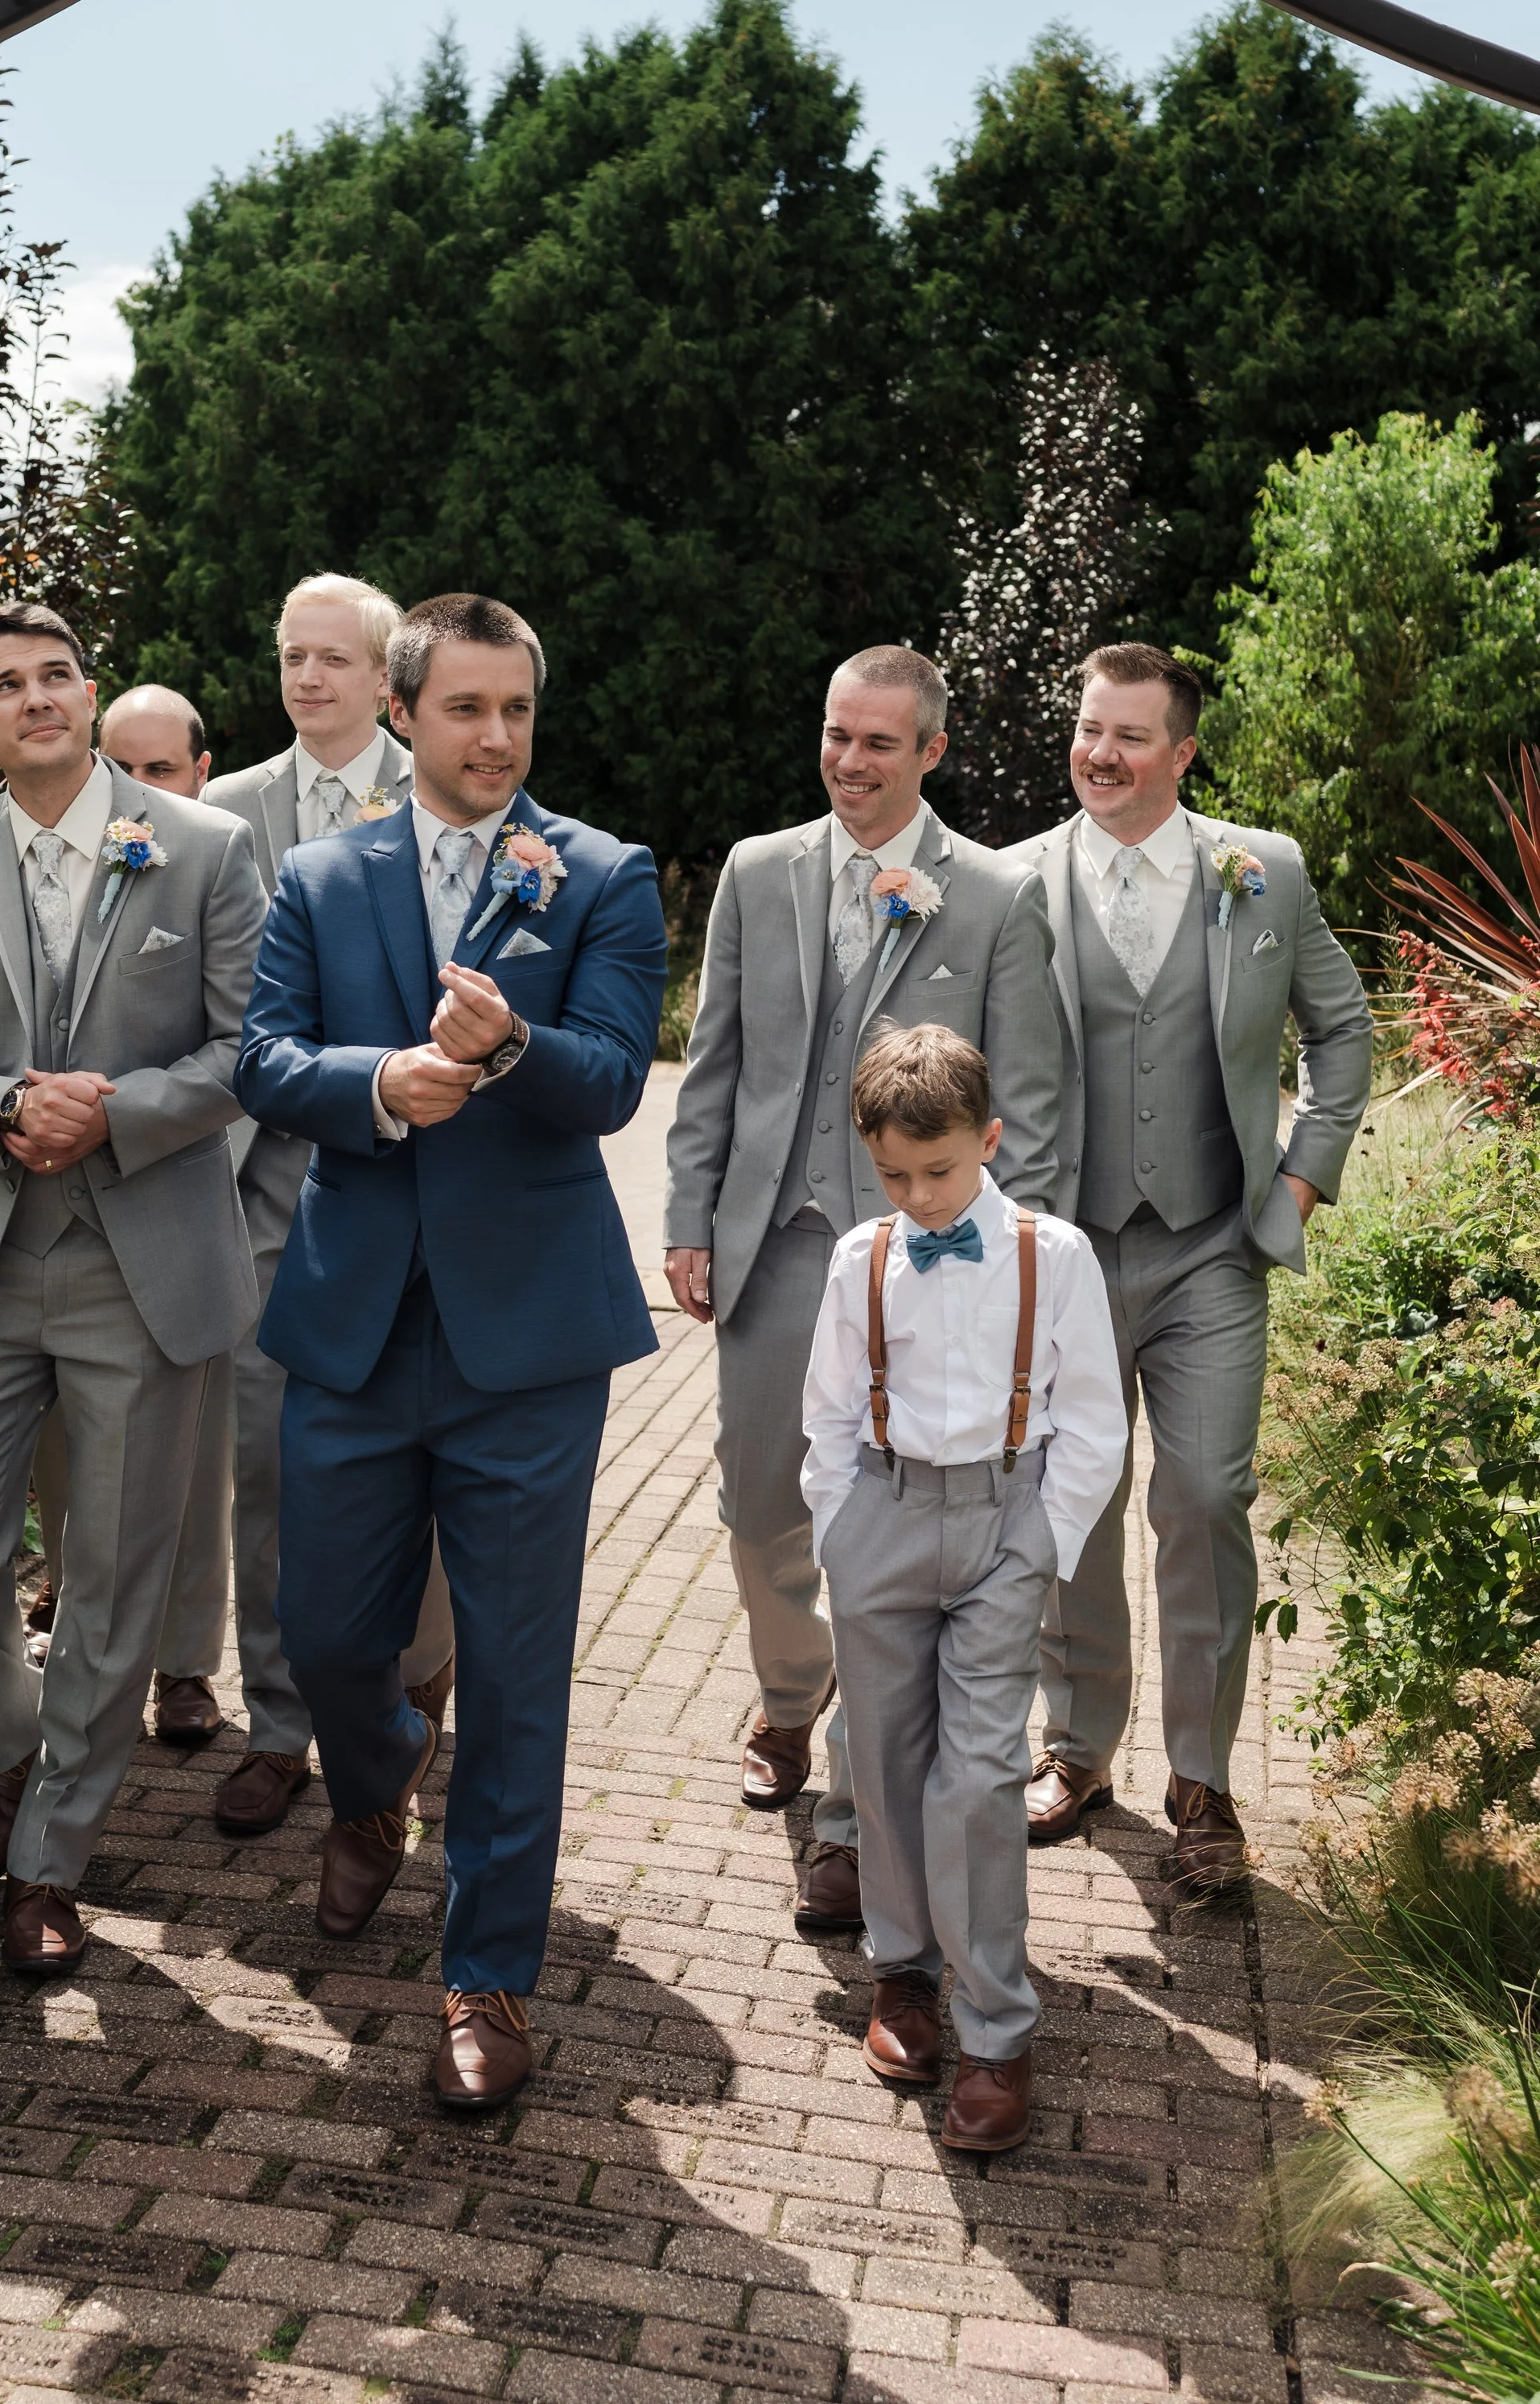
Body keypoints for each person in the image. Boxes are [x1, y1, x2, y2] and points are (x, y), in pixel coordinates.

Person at [237, 592, 665, 2111]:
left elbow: (614, 1079)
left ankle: (488, 1977)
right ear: (402, 714)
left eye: (518, 710)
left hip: (528, 1339)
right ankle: (371, 1788)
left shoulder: (601, 872)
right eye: (467, 709)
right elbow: (265, 1059)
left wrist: (511, 1050)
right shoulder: (316, 874)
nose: (496, 738)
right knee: (324, 1635)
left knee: (519, 1666)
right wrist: (379, 1083)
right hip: (352, 1321)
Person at [0, 604, 266, 1979]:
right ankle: (11, 1747)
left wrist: (121, 1111)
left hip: (140, 1265)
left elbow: (249, 1049)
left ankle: (50, 1856)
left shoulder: (205, 848)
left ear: (89, 696)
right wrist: (2, 1111)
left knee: (111, 1580)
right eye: (7, 684)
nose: (37, 697)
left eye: (57, 675)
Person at [663, 645, 1061, 1940]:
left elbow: (1026, 1107)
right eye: (837, 735)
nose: (850, 761)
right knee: (757, 1502)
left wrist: (1000, 1276)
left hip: (920, 1263)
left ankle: (846, 1824)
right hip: (777, 1241)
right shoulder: (757, 870)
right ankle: (791, 1695)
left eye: (880, 743)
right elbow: (715, 1064)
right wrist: (687, 1220)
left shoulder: (996, 896)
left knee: (884, 1535)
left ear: (931, 752)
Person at [1011, 643, 1371, 1891]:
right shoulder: (1013, 880)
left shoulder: (1261, 872)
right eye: (1087, 729)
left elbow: (1343, 1031)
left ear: (1182, 753)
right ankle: (1077, 1747)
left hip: (1215, 1247)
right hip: (1064, 1252)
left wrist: (1299, 1186)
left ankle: (1202, 1777)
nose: (1099, 754)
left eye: (1128, 735)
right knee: (1072, 1497)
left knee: (1206, 1498)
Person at [803, 1025, 1126, 2152]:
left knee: (981, 1775)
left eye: (937, 1170)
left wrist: (1042, 1541)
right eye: (893, 1175)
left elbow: (1094, 1418)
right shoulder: (861, 1258)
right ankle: (903, 1973)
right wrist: (841, 1532)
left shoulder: (1057, 1256)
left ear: (989, 1140)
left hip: (1002, 1524)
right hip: (883, 1519)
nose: (918, 1196)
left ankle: (996, 2029)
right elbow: (828, 1413)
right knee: (884, 1760)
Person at [207, 575, 453, 1839]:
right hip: (264, 1185)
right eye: (291, 656)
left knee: (421, 1461)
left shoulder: (447, 798)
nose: (306, 678)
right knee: (266, 1465)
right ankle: (278, 1724)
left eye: (333, 660)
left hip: (411, 1182)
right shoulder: (217, 816)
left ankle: (411, 1690)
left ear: (385, 680)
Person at [24, 682, 233, 1749]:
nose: (140, 785)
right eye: (126, 765)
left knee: (192, 1466)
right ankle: (77, 1618)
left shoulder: (217, 860)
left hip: (186, 1196)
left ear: (201, 772)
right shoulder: (51, 861)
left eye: (162, 767)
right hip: (56, 1214)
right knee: (66, 1450)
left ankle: (185, 1663)